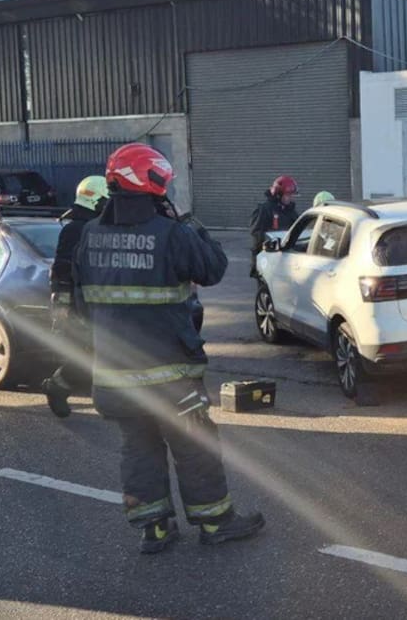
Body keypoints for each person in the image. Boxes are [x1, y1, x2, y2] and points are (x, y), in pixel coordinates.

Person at [73, 142, 264, 554]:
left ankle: (154, 529)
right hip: (170, 374)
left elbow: (80, 303)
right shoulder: (171, 233)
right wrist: (189, 224)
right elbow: (213, 269)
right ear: (152, 182)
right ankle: (215, 523)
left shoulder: (90, 235)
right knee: (194, 445)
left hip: (113, 373)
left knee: (139, 448)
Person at [41, 175, 109, 418]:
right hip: (78, 305)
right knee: (88, 355)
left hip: (98, 302)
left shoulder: (97, 227)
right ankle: (56, 386)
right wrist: (67, 308)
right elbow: (62, 271)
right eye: (107, 200)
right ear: (97, 201)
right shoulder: (76, 230)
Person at [249, 175, 299, 277]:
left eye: (292, 195)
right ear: (279, 194)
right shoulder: (265, 210)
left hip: (284, 258)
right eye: (288, 195)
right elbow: (257, 233)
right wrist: (270, 244)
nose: (291, 198)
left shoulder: (291, 211)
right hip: (268, 257)